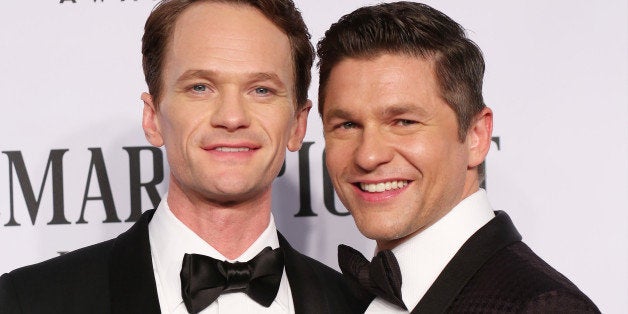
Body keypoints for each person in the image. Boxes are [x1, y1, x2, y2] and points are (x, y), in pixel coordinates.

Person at [0, 0, 366, 313]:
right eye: (200, 87)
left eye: (261, 89)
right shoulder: (30, 301)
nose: (232, 117)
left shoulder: (359, 307)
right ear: (153, 118)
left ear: (297, 125)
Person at [317, 2, 600, 313]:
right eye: (346, 125)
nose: (368, 155)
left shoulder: (543, 307)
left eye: (404, 122)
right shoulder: (327, 297)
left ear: (476, 136)